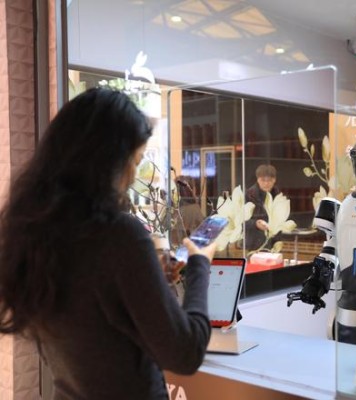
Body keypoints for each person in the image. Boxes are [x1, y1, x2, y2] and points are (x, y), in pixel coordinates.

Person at [0, 88, 217, 399]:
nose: (133, 176)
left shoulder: (34, 235)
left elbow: (95, 328)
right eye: (135, 161)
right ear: (108, 163)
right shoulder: (119, 236)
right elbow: (185, 353)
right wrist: (199, 264)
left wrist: (152, 280)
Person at [244, 164, 281, 251]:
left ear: (274, 180)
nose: (266, 183)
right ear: (258, 179)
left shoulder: (277, 194)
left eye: (269, 180)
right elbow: (241, 220)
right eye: (263, 180)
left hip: (273, 241)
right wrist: (255, 223)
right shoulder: (249, 195)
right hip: (253, 242)